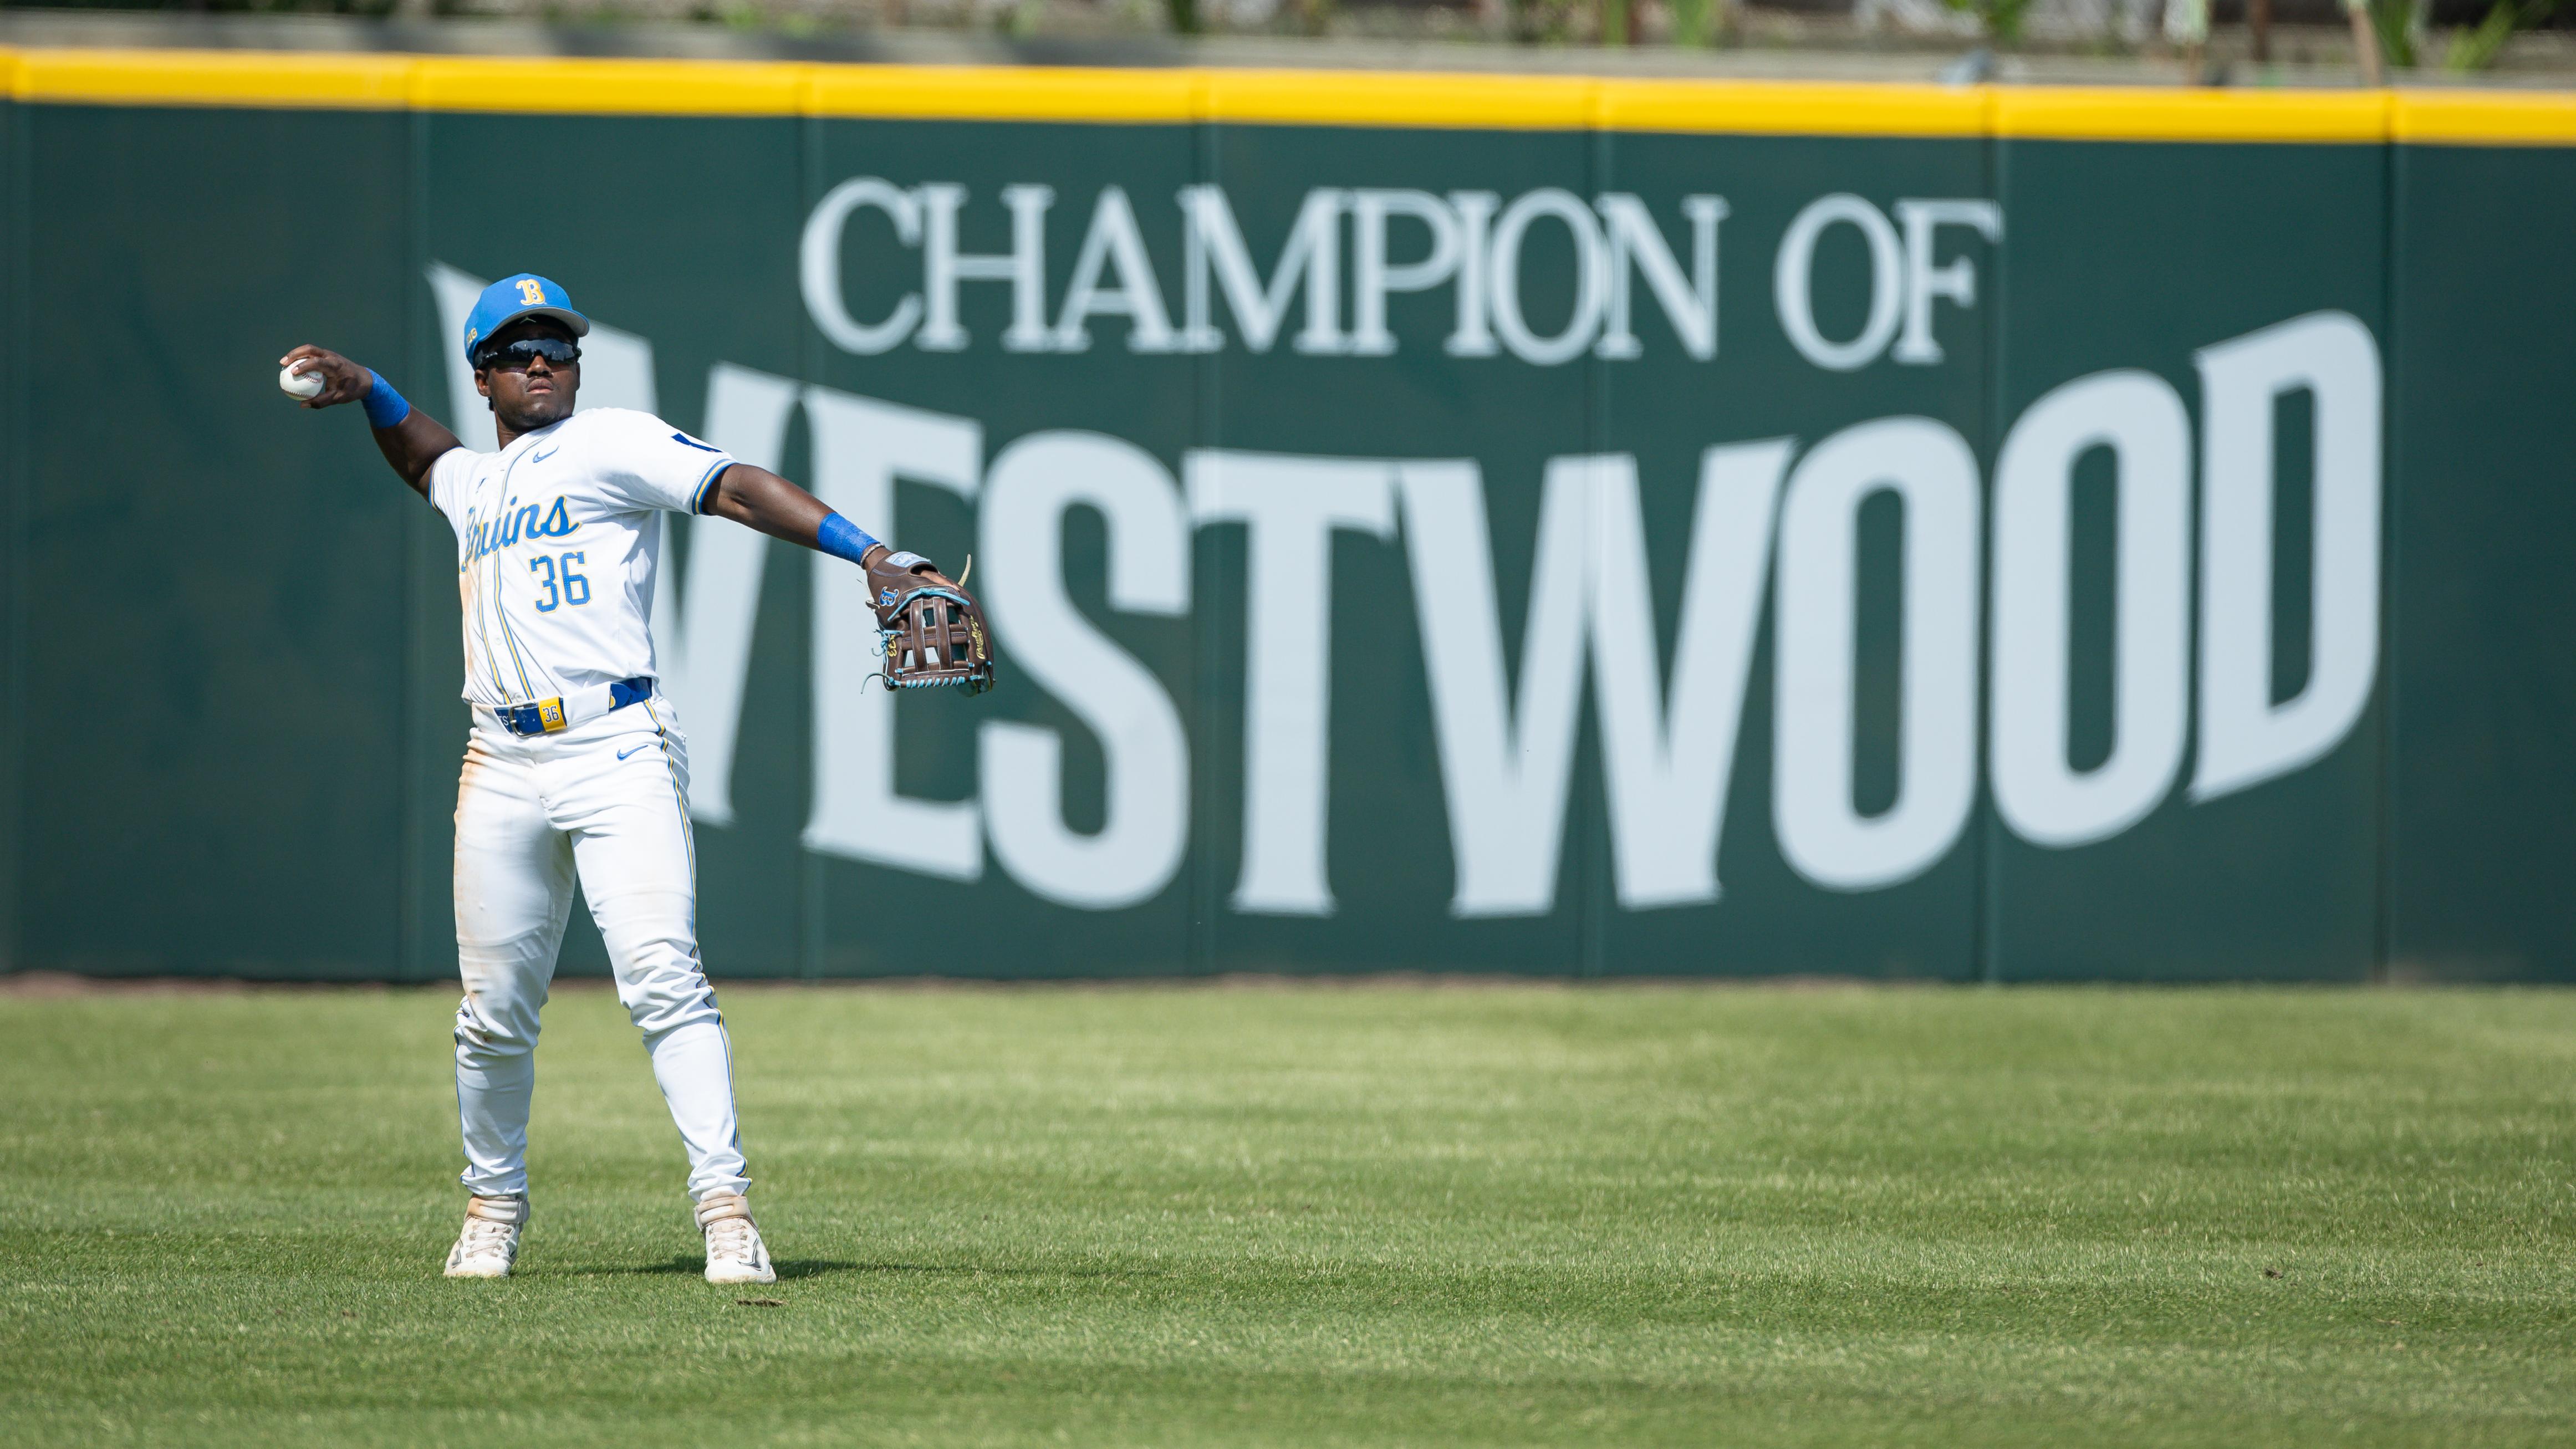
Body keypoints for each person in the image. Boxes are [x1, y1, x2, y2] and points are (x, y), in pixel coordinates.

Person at [281, 273, 971, 1284]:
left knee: (663, 978)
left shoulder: (611, 442)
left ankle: (726, 1211)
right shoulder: (475, 483)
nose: (542, 362)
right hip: (502, 760)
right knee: (492, 1012)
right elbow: (427, 459)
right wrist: (373, 388)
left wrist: (866, 552)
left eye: (556, 345)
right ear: (486, 377)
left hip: (617, 747)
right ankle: (492, 1205)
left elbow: (733, 485)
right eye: (518, 350)